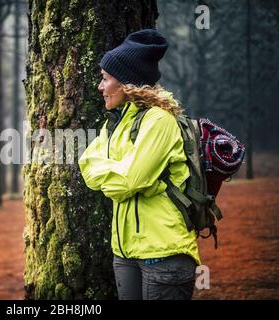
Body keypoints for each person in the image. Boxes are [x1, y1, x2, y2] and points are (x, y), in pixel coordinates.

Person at [78, 29, 199, 300]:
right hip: (125, 254)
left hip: (164, 255)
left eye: (105, 79)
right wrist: (124, 178)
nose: (100, 87)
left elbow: (130, 181)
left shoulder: (159, 121)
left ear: (126, 84)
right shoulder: (116, 123)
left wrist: (120, 177)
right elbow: (86, 165)